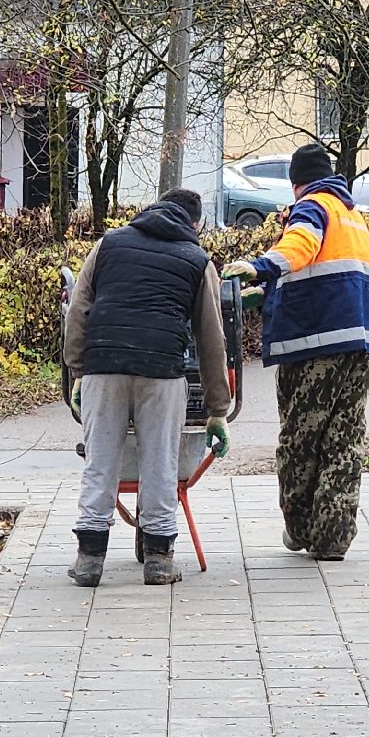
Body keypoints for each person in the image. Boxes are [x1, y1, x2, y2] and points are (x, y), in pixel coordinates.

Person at [63, 188, 231, 587]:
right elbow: (212, 340)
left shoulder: (107, 245)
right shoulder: (196, 259)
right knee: (160, 462)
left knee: (100, 461)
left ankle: (89, 560)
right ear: (196, 224)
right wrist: (217, 410)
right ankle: (159, 561)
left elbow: (78, 311)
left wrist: (77, 372)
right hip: (162, 370)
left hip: (104, 365)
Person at [221, 143, 369, 560]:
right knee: (343, 439)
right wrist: (268, 292)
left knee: (300, 439)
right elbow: (324, 271)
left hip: (315, 345)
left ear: (296, 184)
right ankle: (333, 539)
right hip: (359, 345)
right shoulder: (352, 216)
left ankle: (301, 527)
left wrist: (259, 266)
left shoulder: (311, 207)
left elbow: (300, 248)